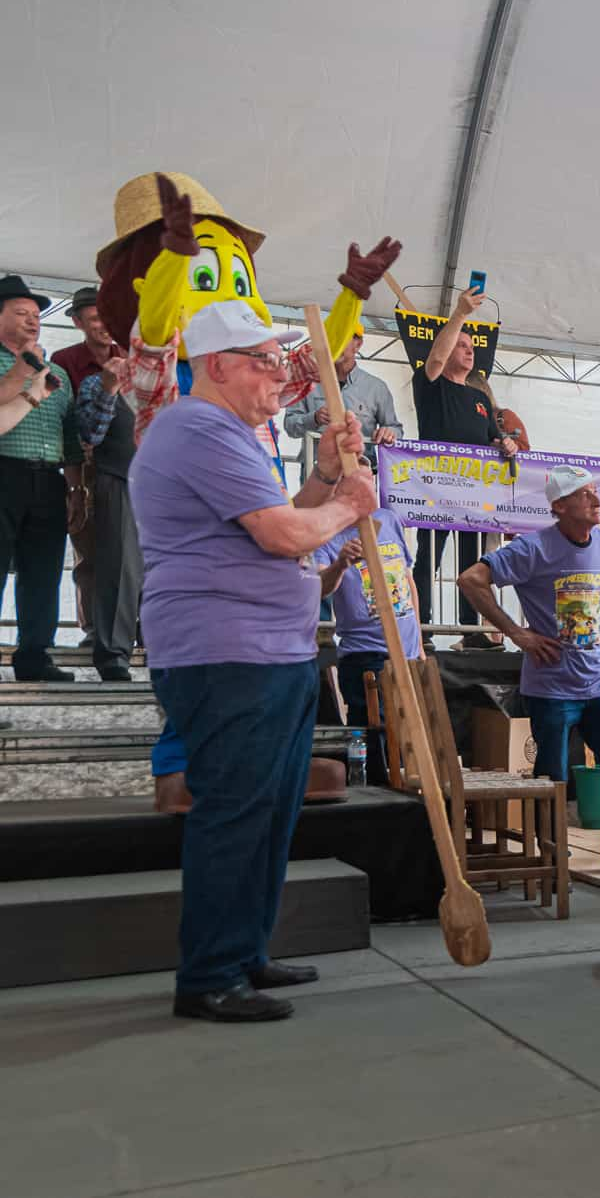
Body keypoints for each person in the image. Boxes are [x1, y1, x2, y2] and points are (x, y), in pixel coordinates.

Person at [131, 300, 377, 1021]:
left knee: (268, 811)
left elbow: (286, 515)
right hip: (227, 649)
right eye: (266, 360)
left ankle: (241, 951)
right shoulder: (199, 428)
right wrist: (351, 502)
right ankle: (209, 974)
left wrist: (330, 478)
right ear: (220, 366)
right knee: (238, 811)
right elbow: (280, 535)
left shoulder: (230, 433)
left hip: (267, 648)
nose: (281, 374)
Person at [458, 466, 600, 871]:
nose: (597, 501)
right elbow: (471, 579)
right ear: (560, 507)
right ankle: (550, 851)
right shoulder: (532, 549)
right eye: (585, 495)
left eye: (596, 493)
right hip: (550, 688)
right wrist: (514, 632)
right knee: (553, 777)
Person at [412, 287, 520, 644]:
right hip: (434, 491)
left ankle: (470, 629)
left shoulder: (479, 398)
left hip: (473, 496)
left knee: (472, 564)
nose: (470, 350)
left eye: (472, 346)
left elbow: (496, 438)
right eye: (462, 345)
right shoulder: (431, 384)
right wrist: (459, 314)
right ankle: (422, 627)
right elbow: (435, 362)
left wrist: (507, 443)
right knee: (429, 559)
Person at [0, 274, 83, 682]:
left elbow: (69, 434)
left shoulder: (59, 375)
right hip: (3, 469)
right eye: (21, 313)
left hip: (48, 478)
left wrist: (76, 488)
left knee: (44, 570)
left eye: (36, 315)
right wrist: (22, 372)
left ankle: (35, 654)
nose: (33, 321)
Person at [317, 506, 422, 786]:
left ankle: (408, 809)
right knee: (380, 742)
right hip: (366, 654)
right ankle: (383, 808)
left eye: (368, 478)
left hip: (407, 651)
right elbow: (318, 587)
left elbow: (407, 580)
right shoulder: (326, 530)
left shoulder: (388, 519)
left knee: (411, 736)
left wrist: (420, 644)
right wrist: (340, 564)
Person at [51, 285, 123, 649]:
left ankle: (128, 627)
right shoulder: (64, 361)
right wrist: (75, 485)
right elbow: (67, 426)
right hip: (85, 464)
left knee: (128, 552)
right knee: (88, 547)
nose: (104, 325)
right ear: (78, 322)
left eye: (108, 317)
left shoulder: (129, 356)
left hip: (127, 465)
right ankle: (94, 628)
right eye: (95, 318)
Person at [71, 346, 142, 682]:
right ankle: (114, 654)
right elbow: (90, 435)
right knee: (119, 567)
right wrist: (110, 389)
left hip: (169, 483)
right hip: (119, 477)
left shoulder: (179, 378)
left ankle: (165, 645)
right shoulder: (94, 382)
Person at [283, 323, 402, 464]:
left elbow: (396, 430)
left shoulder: (377, 388)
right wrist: (314, 418)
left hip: (360, 472)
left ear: (358, 345)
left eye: (342, 338)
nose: (335, 344)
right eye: (329, 338)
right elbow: (289, 426)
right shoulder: (305, 381)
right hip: (316, 473)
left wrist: (388, 432)